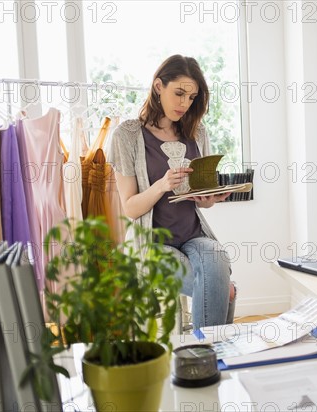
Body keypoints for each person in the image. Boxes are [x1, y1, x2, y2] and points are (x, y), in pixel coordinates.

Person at [110, 54, 235, 330]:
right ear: (158, 86)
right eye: (179, 93)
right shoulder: (127, 135)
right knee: (223, 289)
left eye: (191, 97)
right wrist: (162, 185)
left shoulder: (196, 132)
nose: (184, 104)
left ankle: (205, 355)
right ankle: (209, 356)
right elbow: (130, 208)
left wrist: (208, 199)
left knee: (216, 259)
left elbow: (202, 205)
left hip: (193, 236)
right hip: (152, 244)